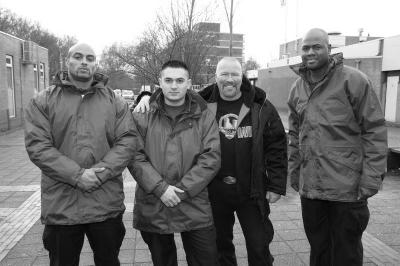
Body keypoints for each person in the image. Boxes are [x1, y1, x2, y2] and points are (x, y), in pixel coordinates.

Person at [135, 57, 288, 266]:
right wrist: (145, 97)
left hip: (251, 190)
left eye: (234, 74)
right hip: (213, 191)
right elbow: (171, 93)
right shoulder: (202, 103)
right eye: (224, 74)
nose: (229, 79)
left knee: (259, 245)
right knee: (220, 247)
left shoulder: (260, 105)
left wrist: (276, 184)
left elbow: (277, 145)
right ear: (215, 77)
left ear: (242, 77)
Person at [24, 43, 138, 266]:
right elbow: (38, 146)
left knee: (108, 260)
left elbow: (128, 140)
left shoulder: (114, 101)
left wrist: (98, 174)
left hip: (105, 203)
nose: (84, 61)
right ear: (68, 62)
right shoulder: (43, 101)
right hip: (62, 206)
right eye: (78, 56)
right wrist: (77, 175)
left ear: (96, 64)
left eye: (90, 58)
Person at [287, 28, 388, 266]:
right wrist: (295, 173)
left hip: (347, 189)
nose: (310, 52)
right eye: (305, 48)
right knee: (319, 251)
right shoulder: (296, 88)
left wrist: (371, 178)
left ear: (329, 49)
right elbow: (294, 135)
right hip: (311, 190)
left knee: (346, 253)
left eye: (316, 47)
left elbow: (374, 131)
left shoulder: (353, 80)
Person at [128, 60, 221, 266]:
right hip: (155, 202)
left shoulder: (204, 115)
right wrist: (161, 189)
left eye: (180, 80)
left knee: (207, 259)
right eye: (168, 80)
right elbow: (134, 156)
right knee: (163, 261)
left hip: (193, 201)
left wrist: (181, 191)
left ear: (189, 83)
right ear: (160, 82)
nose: (174, 86)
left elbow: (211, 157)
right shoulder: (142, 115)